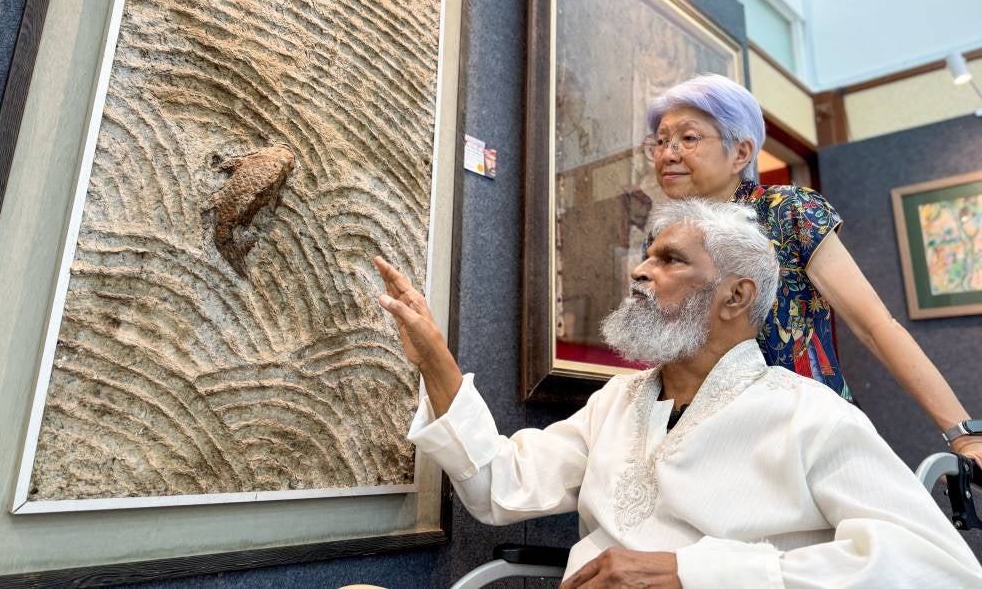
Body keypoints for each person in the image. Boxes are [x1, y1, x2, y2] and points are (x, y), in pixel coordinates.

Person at [375, 200, 982, 587]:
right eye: (645, 257)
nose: (640, 271)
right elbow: (498, 486)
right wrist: (437, 363)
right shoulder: (616, 402)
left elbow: (938, 567)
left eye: (669, 260)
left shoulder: (809, 414)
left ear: (736, 296)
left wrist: (691, 572)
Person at [644, 73, 981, 467]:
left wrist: (963, 434)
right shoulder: (662, 236)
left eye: (688, 138)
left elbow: (875, 325)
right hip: (707, 441)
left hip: (807, 432)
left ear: (740, 153)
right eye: (661, 141)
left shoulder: (789, 211)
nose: (668, 154)